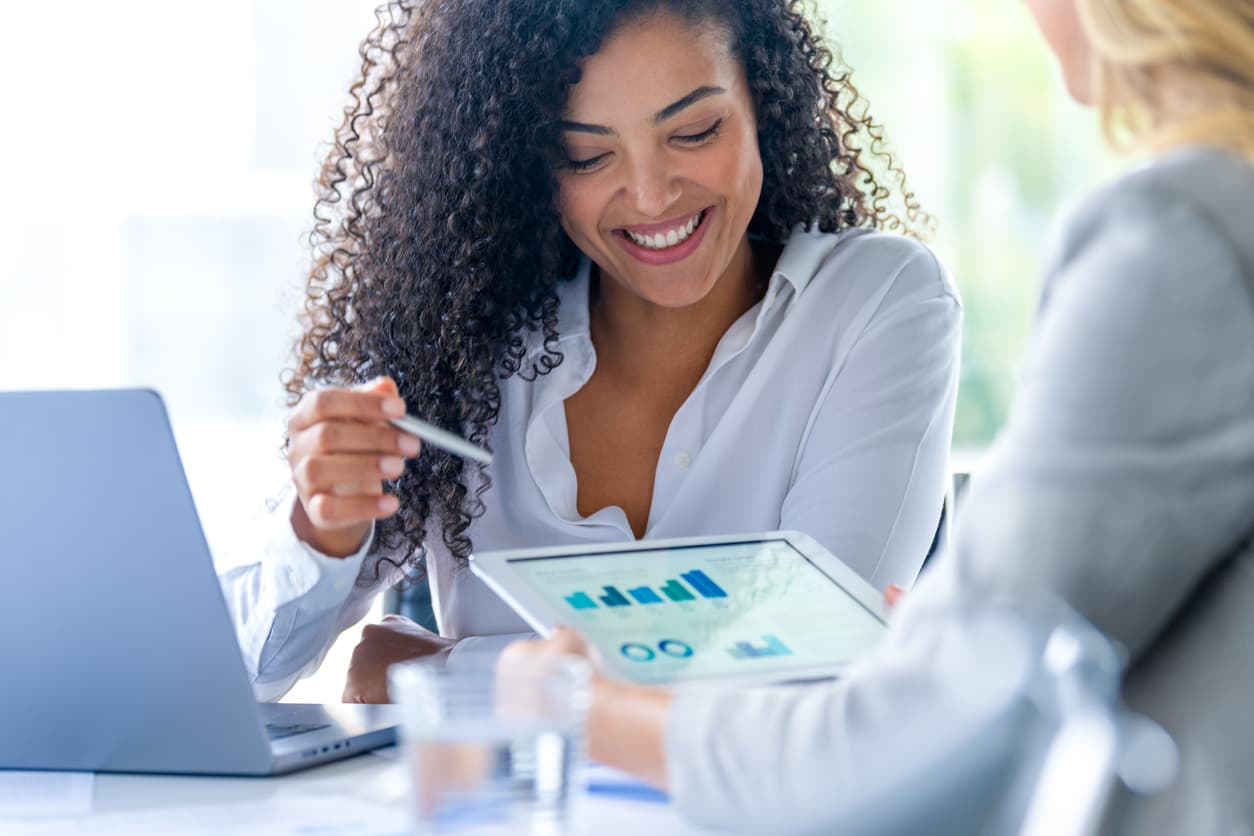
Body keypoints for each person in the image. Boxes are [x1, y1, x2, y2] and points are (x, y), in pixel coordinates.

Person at [504, 0, 1254, 832]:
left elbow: (922, 725)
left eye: (694, 131)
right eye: (585, 153)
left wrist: (575, 702)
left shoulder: (1190, 238)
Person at [218, 0, 963, 703]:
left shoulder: (875, 302)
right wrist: (322, 531)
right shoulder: (461, 338)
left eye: (695, 131)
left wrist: (452, 676)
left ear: (763, 102)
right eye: (585, 155)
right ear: (530, 167)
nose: (649, 195)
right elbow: (237, 675)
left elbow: (815, 667)